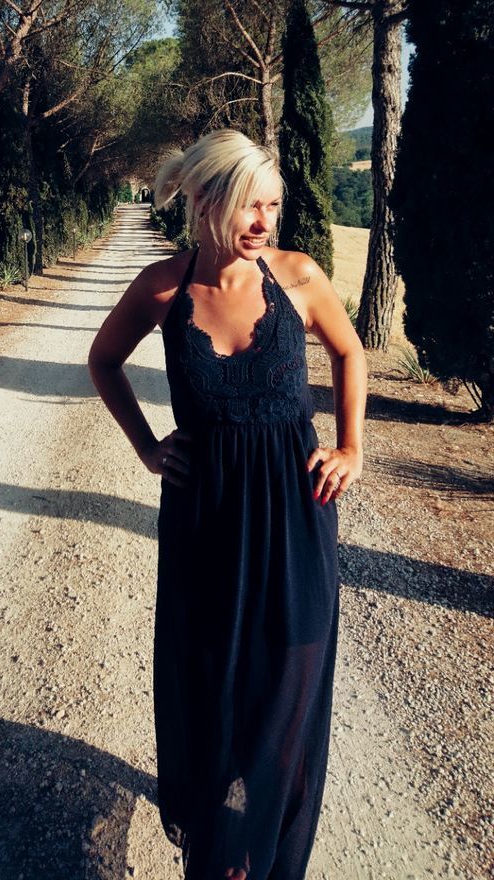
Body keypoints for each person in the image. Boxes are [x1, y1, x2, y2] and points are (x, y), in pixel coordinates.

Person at [87, 129, 367, 880]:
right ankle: (220, 852)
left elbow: (349, 352)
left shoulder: (299, 278)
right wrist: (147, 448)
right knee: (212, 687)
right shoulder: (164, 288)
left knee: (289, 681)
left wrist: (350, 447)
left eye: (272, 206)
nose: (264, 223)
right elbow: (103, 360)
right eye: (251, 206)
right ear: (206, 202)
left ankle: (266, 849)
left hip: (295, 518)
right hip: (204, 523)